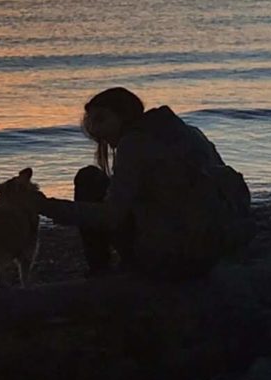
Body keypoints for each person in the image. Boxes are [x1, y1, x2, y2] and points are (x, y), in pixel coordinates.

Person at [38, 87, 253, 280]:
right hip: (210, 251)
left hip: (171, 258)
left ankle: (100, 270)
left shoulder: (134, 143)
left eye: (101, 119)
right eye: (90, 120)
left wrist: (45, 206)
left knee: (89, 179)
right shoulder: (188, 132)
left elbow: (111, 216)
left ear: (123, 117)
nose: (94, 129)